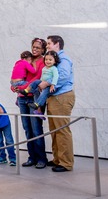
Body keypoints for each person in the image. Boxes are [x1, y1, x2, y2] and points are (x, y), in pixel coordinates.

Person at [38, 35, 75, 172]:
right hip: (54, 97)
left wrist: (46, 85)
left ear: (57, 44)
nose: (46, 46)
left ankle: (66, 163)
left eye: (48, 43)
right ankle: (58, 159)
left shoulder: (63, 59)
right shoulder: (54, 59)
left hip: (62, 97)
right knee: (54, 130)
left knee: (62, 130)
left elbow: (63, 76)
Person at [11, 37, 48, 169]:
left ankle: (42, 159)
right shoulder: (26, 59)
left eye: (38, 47)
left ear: (43, 49)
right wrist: (14, 86)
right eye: (33, 46)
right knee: (27, 129)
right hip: (22, 98)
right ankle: (31, 157)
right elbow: (17, 75)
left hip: (35, 99)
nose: (35, 49)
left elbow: (39, 79)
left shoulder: (45, 61)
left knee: (36, 129)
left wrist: (22, 87)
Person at [19, 50, 60, 118]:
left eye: (50, 60)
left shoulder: (54, 69)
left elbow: (56, 77)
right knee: (35, 81)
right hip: (42, 82)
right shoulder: (44, 68)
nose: (48, 61)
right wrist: (40, 85)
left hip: (49, 85)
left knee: (44, 93)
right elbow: (42, 77)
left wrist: (53, 84)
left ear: (55, 61)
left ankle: (37, 104)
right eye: (46, 59)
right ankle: (26, 91)